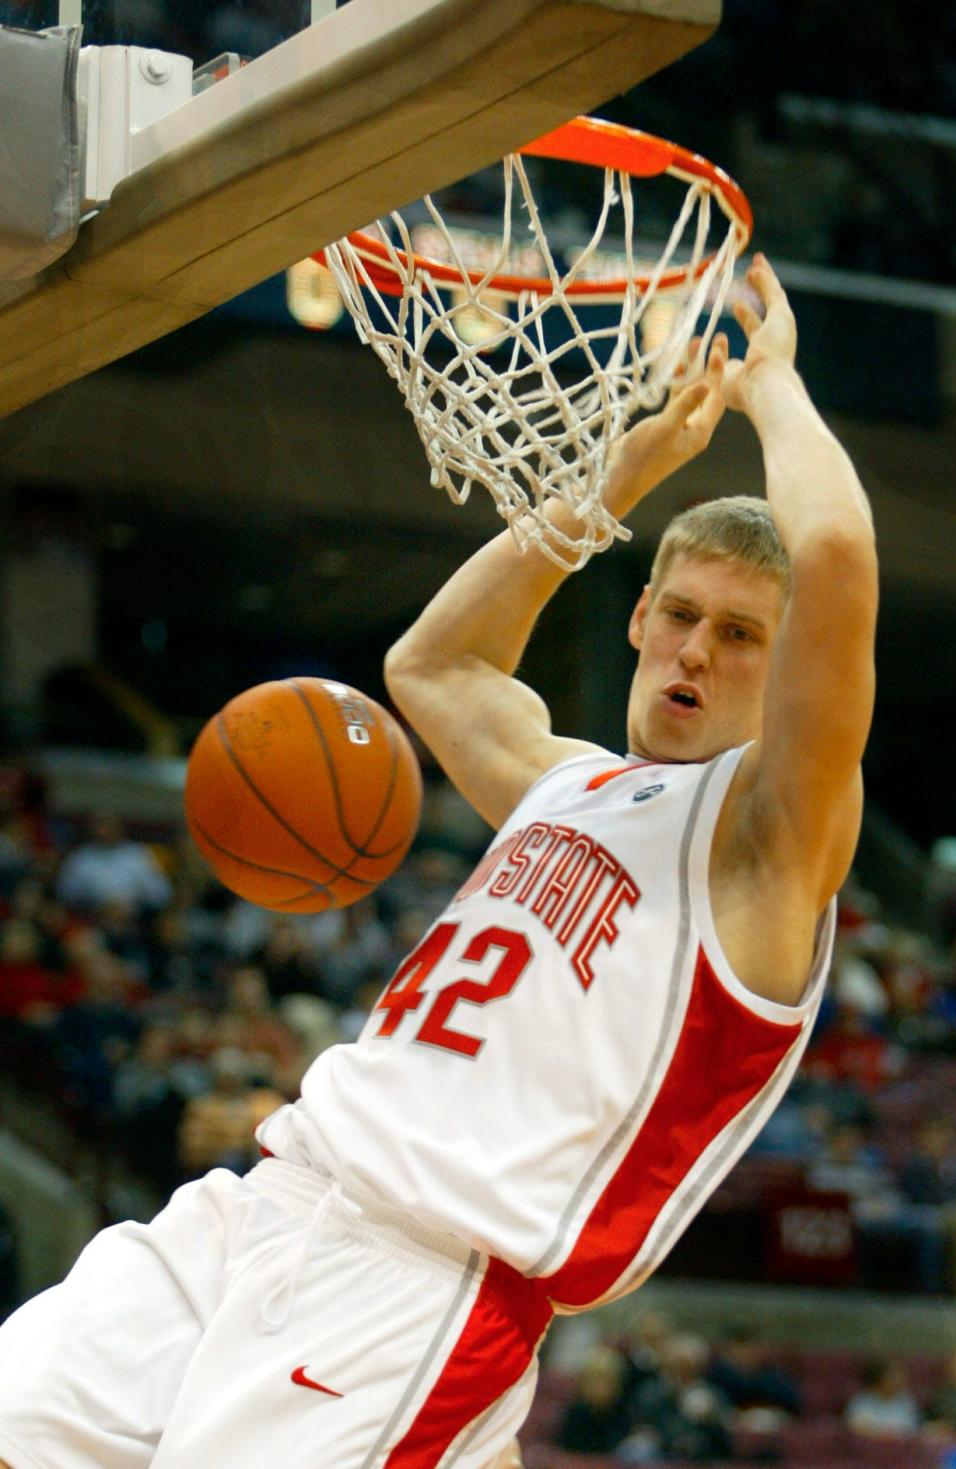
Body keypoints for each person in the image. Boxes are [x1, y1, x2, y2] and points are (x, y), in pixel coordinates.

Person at [0, 256, 878, 1469]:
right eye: (678, 612)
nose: (695, 649)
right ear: (638, 616)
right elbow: (433, 669)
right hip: (273, 1194)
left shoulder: (773, 841)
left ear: (784, 673)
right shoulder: (566, 778)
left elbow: (835, 563)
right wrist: (615, 476)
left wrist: (772, 388)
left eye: (740, 636)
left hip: (419, 1280)